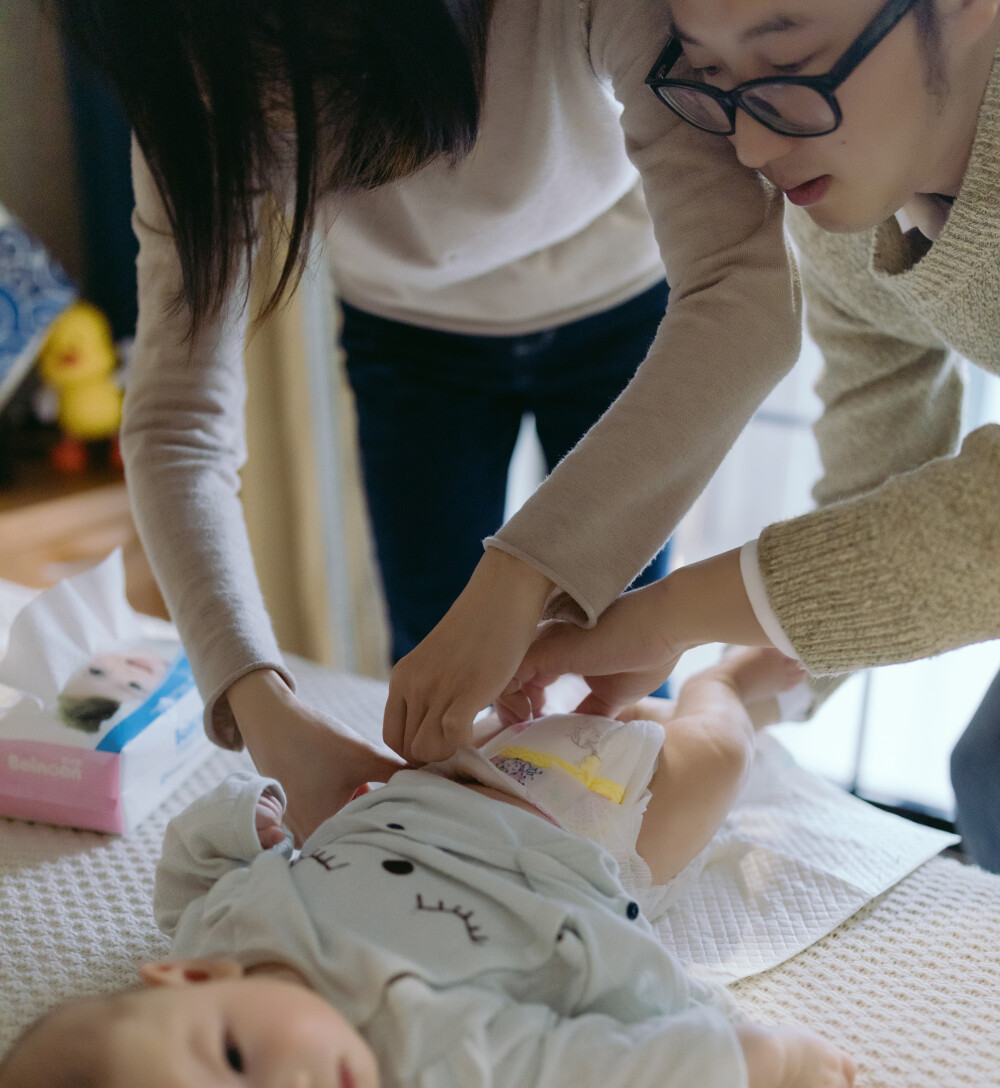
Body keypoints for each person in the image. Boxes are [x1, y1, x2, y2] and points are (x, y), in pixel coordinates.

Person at [50, 0, 801, 843]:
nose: (266, 116)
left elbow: (750, 303)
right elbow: (176, 424)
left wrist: (522, 578)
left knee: (617, 661)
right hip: (410, 341)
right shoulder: (190, 60)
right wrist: (258, 705)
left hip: (621, 301)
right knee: (438, 669)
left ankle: (725, 692)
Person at [0, 647, 855, 1088]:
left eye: (231, 1059)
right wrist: (771, 1065)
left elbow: (188, 868)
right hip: (595, 841)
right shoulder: (431, 1062)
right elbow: (607, 1079)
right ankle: (729, 685)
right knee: (711, 757)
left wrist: (244, 817)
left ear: (190, 980)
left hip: (461, 772)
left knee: (591, 692)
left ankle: (666, 689)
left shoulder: (225, 932)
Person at [449, 0, 1000, 872]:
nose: (749, 147)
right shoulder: (851, 218)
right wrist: (736, 683)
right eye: (709, 78)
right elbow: (885, 463)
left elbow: (984, 529)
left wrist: (670, 615)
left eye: (787, 65)